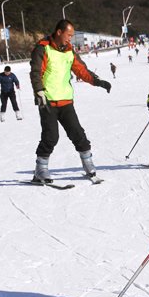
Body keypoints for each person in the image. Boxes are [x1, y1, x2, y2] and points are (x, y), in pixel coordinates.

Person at [29, 19, 111, 183]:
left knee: (78, 133)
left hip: (66, 100)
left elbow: (82, 70)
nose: (70, 39)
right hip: (48, 101)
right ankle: (41, 169)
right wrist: (39, 91)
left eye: (72, 36)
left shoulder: (69, 51)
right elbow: (36, 72)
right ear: (59, 32)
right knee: (50, 137)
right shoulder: (42, 49)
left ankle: (88, 163)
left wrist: (98, 81)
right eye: (69, 35)